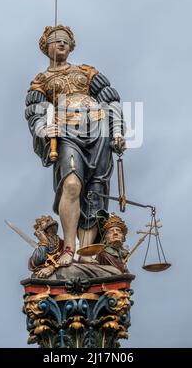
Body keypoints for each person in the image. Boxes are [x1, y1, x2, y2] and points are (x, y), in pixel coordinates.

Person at [25, 25, 126, 266]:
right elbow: (35, 112)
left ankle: (87, 251)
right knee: (71, 184)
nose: (61, 44)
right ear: (45, 46)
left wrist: (118, 130)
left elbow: (110, 99)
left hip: (97, 128)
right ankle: (69, 248)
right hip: (65, 131)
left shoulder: (87, 71)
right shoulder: (41, 81)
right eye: (56, 40)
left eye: (66, 41)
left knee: (95, 189)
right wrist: (42, 128)